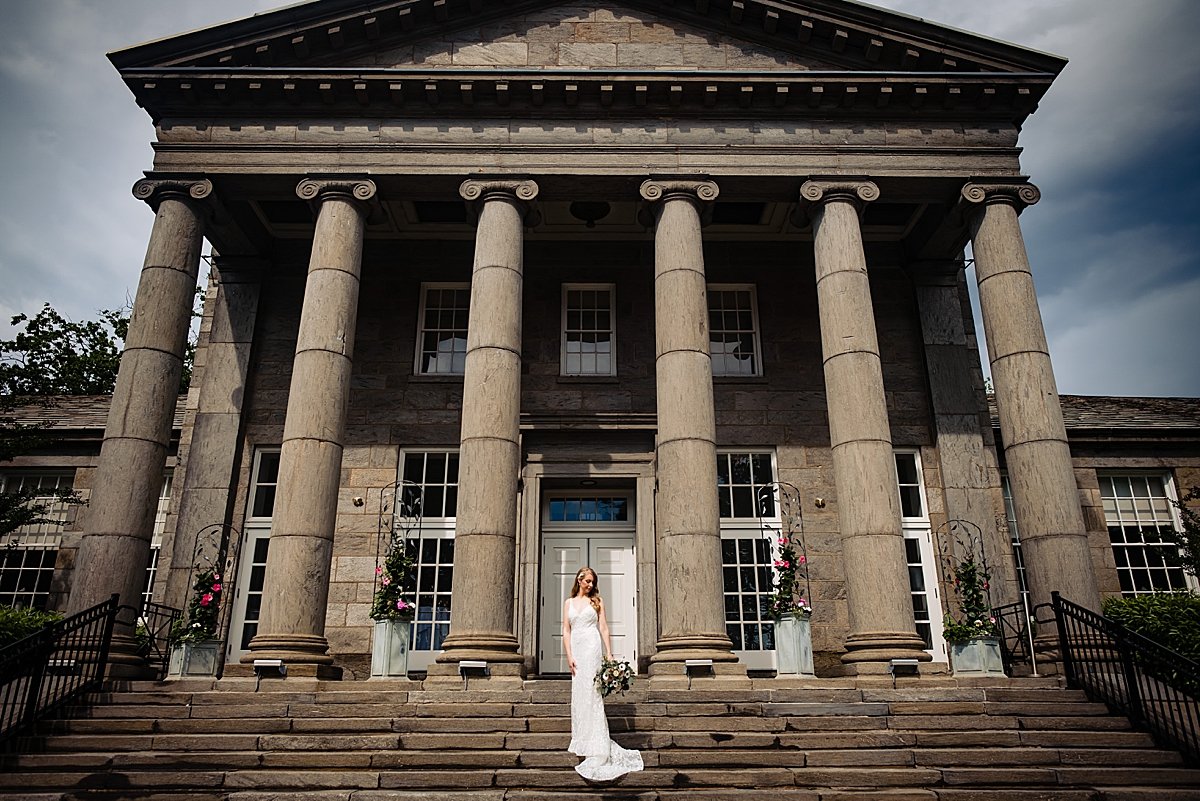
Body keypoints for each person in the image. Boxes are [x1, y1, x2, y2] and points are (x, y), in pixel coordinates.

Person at [562, 566, 644, 781]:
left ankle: (597, 744)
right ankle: (583, 740)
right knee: (580, 695)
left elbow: (604, 628)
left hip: (591, 647)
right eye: (587, 581)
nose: (590, 585)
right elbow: (566, 630)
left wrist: (609, 653)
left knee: (592, 693)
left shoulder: (596, 602)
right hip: (577, 649)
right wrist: (569, 655)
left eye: (592, 582)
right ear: (579, 580)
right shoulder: (568, 603)